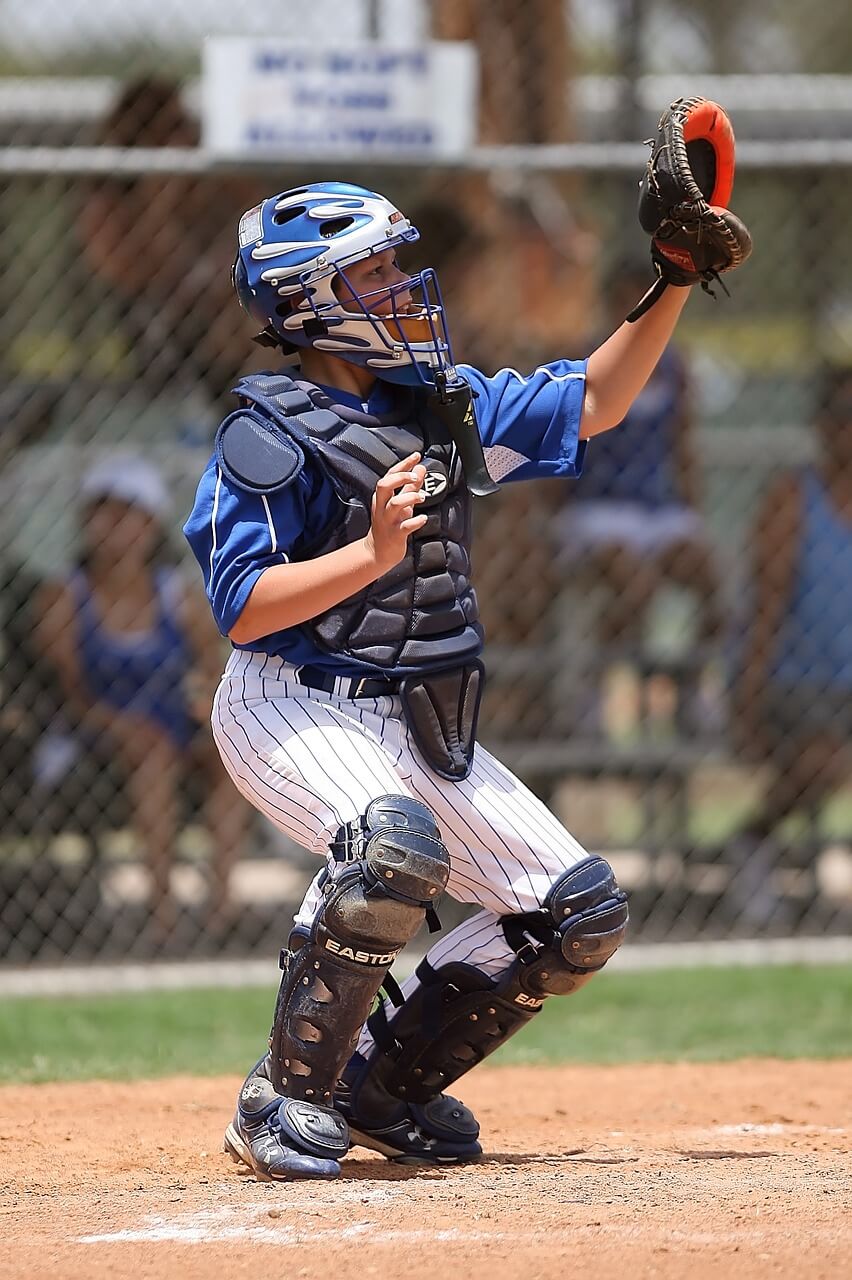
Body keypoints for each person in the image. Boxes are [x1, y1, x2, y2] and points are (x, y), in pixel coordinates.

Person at [182, 180, 722, 1182]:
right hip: (288, 699)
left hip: (413, 720)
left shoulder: (441, 405)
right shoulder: (266, 433)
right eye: (374, 271)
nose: (403, 284)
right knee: (393, 847)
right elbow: (243, 603)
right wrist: (373, 552)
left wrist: (674, 280)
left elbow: (598, 399)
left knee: (577, 915)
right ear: (310, 302)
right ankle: (281, 1094)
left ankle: (374, 1087)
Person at [34, 454, 247, 940]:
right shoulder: (64, 596)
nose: (115, 525)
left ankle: (222, 910)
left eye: (129, 512)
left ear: (151, 523)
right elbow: (69, 692)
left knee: (226, 755)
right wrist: (119, 725)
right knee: (152, 750)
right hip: (89, 732)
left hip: (170, 724)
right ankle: (162, 915)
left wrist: (203, 705)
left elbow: (212, 671)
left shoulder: (178, 595)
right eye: (102, 511)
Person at [556, 264, 724, 733]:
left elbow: (682, 446)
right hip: (598, 508)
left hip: (658, 509)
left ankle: (688, 689)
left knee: (710, 579)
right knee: (634, 584)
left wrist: (694, 512)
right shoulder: (586, 360)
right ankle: (594, 695)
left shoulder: (674, 366)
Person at [728, 364, 852, 925]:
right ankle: (754, 840)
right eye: (843, 417)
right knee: (827, 757)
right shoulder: (793, 498)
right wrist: (747, 698)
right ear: (824, 426)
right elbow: (765, 610)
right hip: (792, 682)